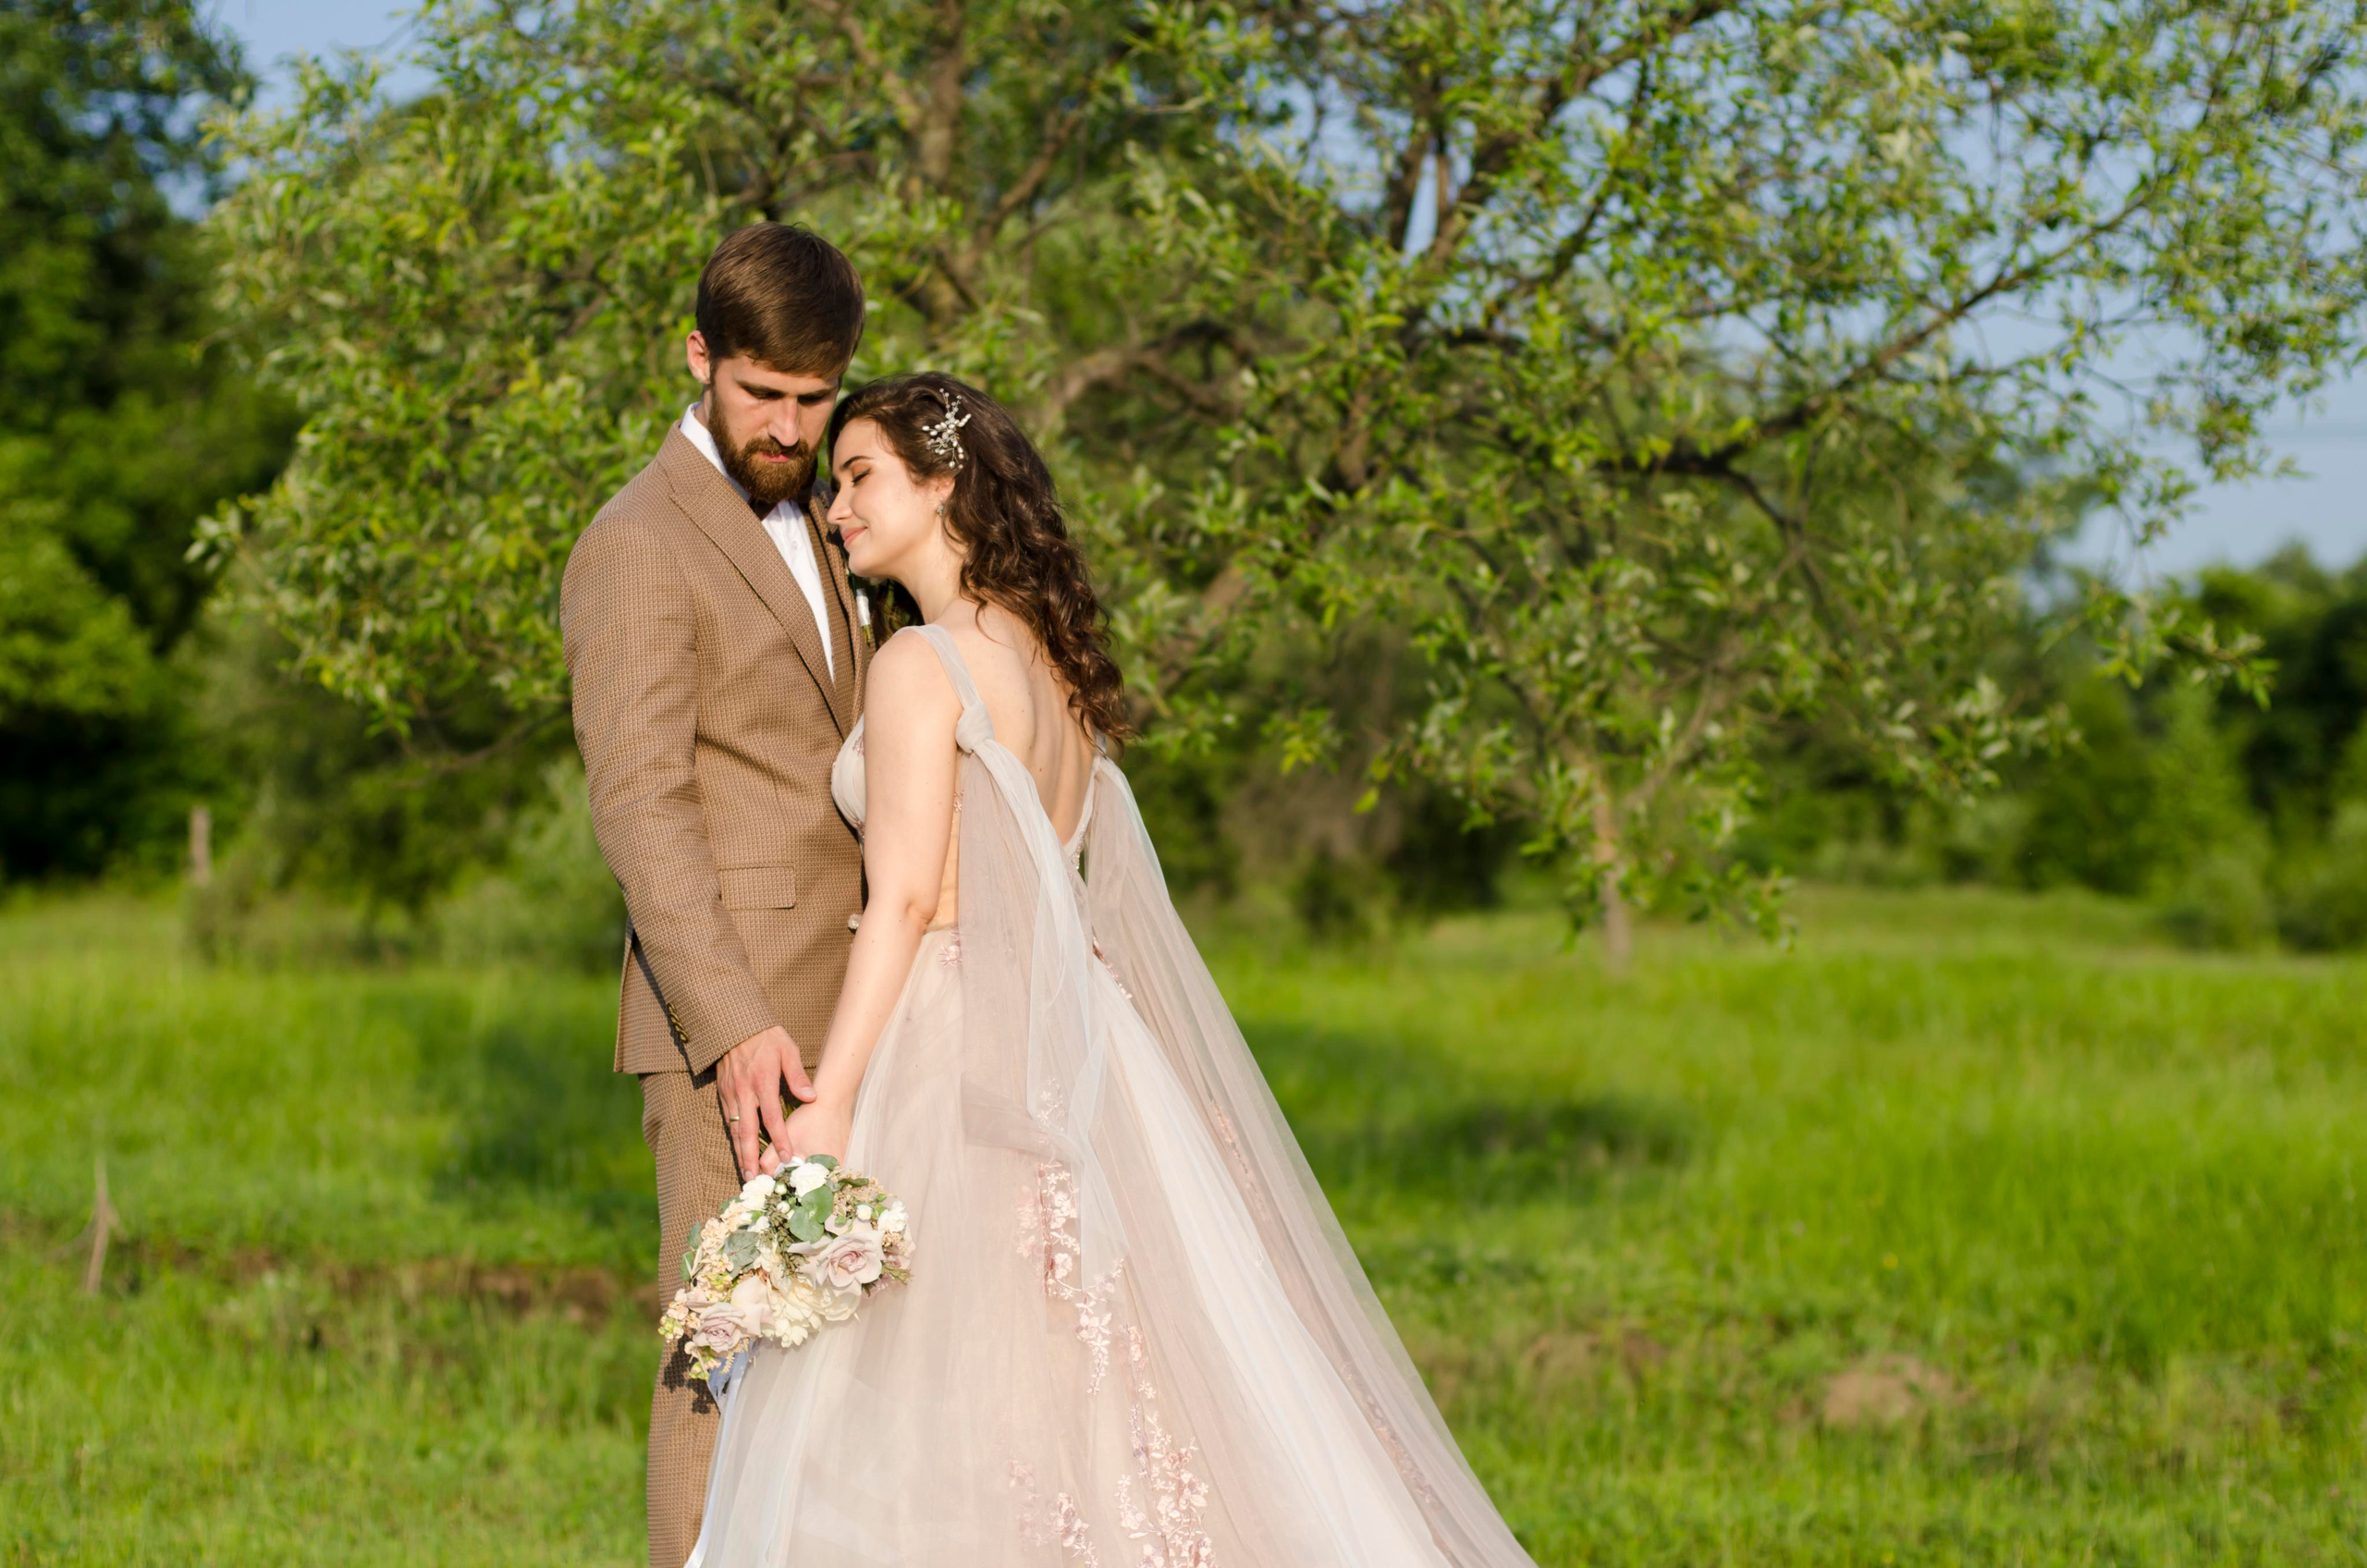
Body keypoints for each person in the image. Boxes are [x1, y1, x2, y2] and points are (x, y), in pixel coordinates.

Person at [683, 372, 1541, 1567]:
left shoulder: (921, 666)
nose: (835, 507)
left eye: (862, 476)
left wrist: (829, 1101)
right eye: (833, 486)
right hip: (1070, 1034)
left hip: (949, 1035)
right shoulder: (1057, 671)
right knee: (1094, 1378)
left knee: (922, 1399)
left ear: (942, 486)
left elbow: (912, 899)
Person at [559, 223, 869, 1568]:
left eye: (814, 399)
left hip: (862, 1005)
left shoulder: (840, 513)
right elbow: (640, 803)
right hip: (728, 1037)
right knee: (724, 1358)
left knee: (850, 1368)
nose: (790, 428)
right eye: (764, 396)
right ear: (698, 359)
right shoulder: (636, 542)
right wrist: (737, 1024)